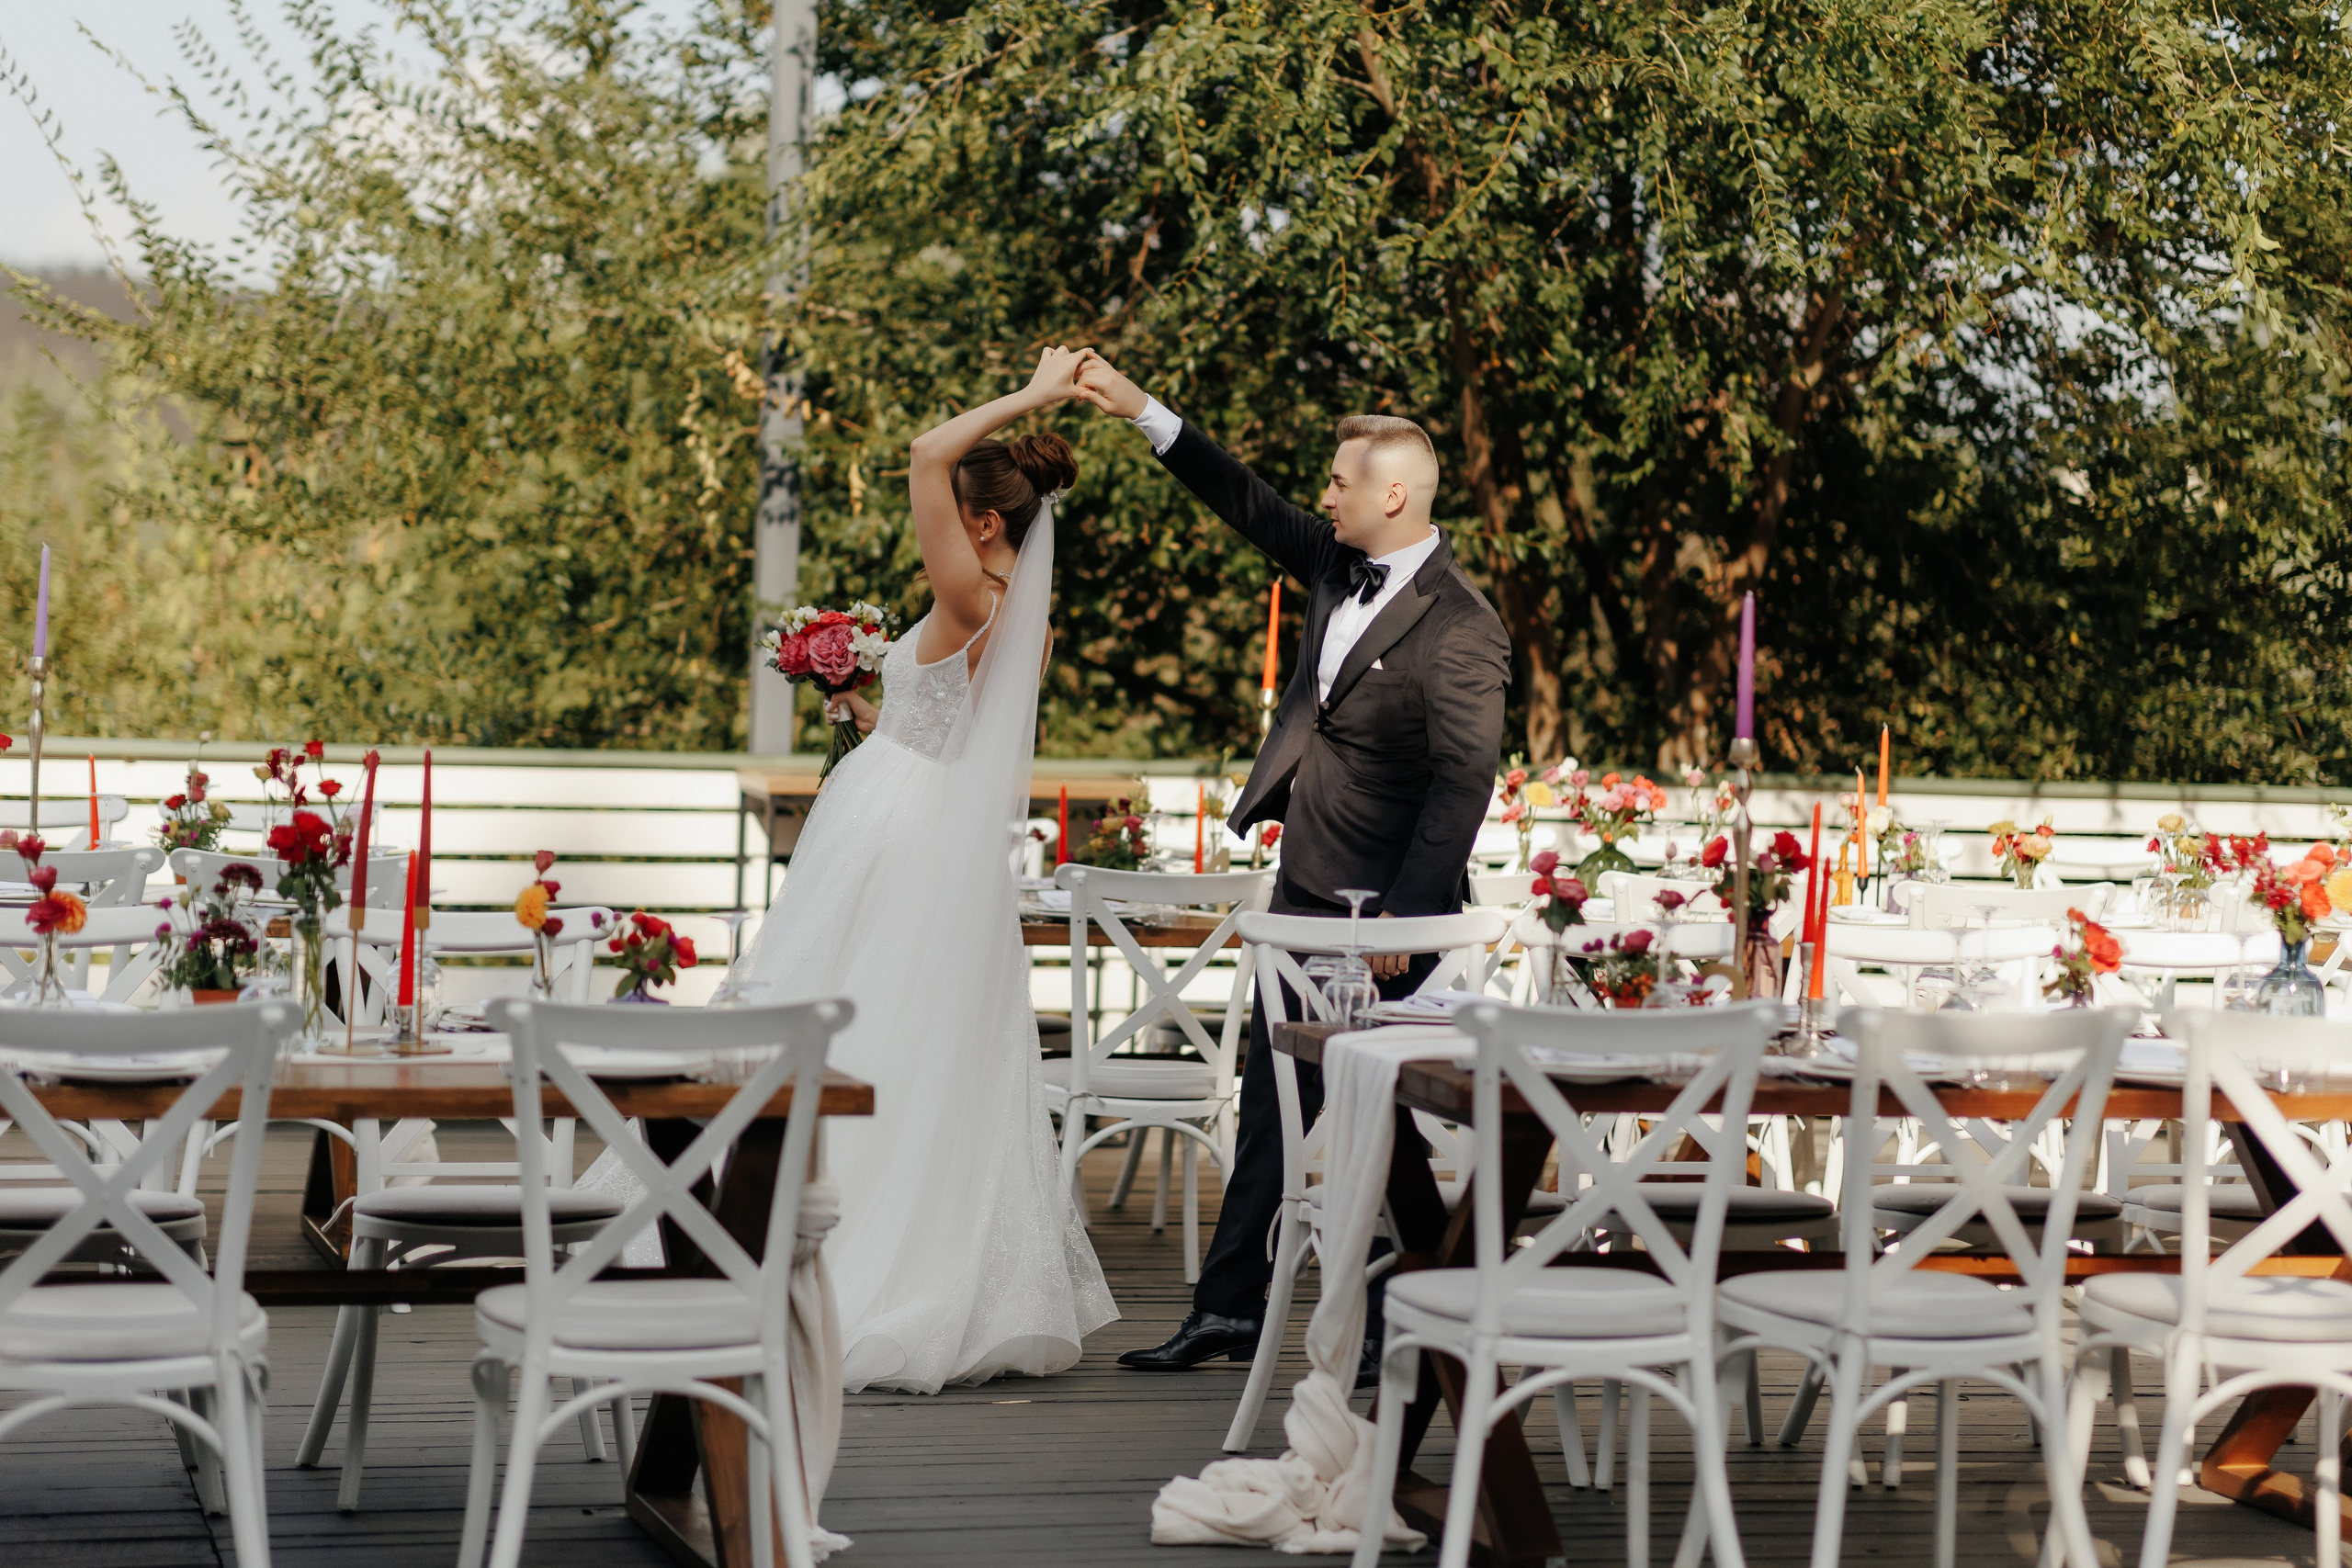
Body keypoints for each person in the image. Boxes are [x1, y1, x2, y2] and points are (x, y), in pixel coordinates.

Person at [1071, 355, 1510, 1376]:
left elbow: (1461, 785)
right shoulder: (1330, 561)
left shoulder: (1462, 626)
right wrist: (1143, 411)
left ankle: (1396, 1319)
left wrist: (1404, 925)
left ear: (1391, 493)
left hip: (1387, 916)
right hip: (1305, 886)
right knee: (1278, 1101)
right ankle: (1235, 1309)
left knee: (1375, 1114)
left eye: (1340, 480)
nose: (1323, 494)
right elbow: (1243, 496)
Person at [727, 346, 1116, 1393]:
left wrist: (1035, 395)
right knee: (927, 1031)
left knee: (842, 1012)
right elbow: (947, 724)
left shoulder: (963, 590)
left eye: (957, 507)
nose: (939, 509)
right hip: (942, 824)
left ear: (985, 524)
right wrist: (860, 704)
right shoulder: (1020, 622)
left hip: (890, 821)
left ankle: (819, 1248)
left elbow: (924, 447)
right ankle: (946, 1252)